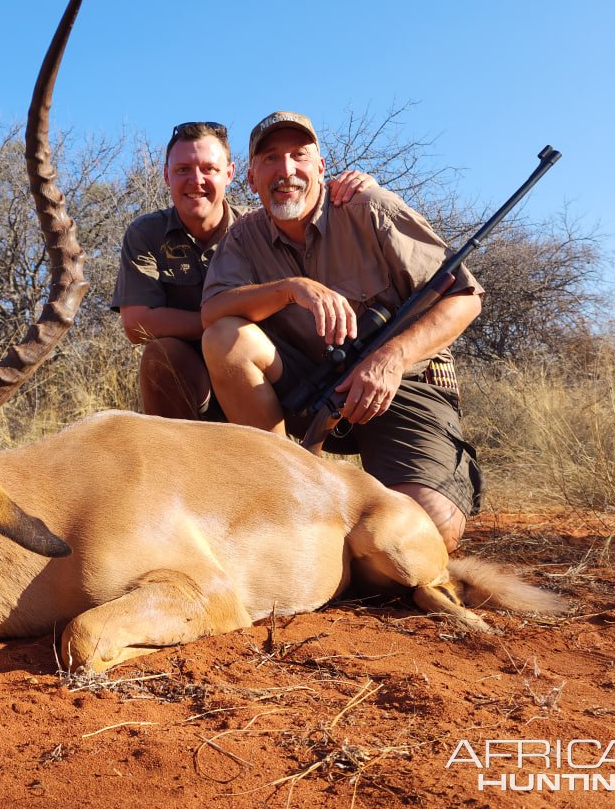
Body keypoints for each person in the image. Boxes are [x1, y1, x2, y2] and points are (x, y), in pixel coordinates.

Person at [201, 111, 483, 551]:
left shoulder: (372, 208)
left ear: (321, 166)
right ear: (252, 177)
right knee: (224, 339)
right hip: (311, 387)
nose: (286, 170)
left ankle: (343, 517)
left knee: (428, 530)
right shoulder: (243, 237)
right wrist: (291, 289)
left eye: (299, 155)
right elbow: (213, 311)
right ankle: (285, 495)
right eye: (271, 159)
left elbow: (465, 297)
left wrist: (391, 359)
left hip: (401, 385)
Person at [112, 121, 374, 419]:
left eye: (209, 169)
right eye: (183, 169)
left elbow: (313, 206)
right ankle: (176, 461)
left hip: (262, 365)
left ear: (230, 174)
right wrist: (219, 320)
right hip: (197, 371)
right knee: (161, 356)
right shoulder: (146, 233)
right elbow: (137, 324)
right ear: (165, 176)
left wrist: (359, 190)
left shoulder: (257, 228)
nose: (196, 180)